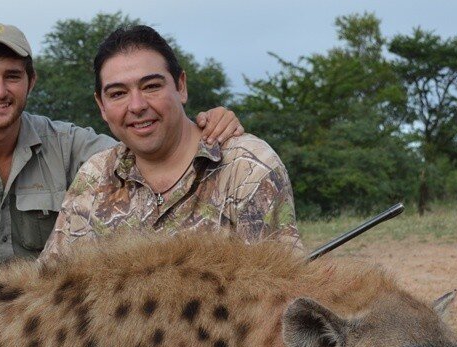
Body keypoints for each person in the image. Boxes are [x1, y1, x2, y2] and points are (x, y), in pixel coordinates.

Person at [0, 22, 243, 347]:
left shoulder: (70, 144)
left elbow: (143, 146)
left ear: (31, 81)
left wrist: (203, 123)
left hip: (39, 299)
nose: (0, 90)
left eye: (12, 76)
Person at [41, 25, 302, 259]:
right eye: (118, 93)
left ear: (181, 86)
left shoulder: (247, 168)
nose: (137, 106)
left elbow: (278, 294)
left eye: (151, 86)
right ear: (102, 106)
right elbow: (50, 285)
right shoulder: (94, 176)